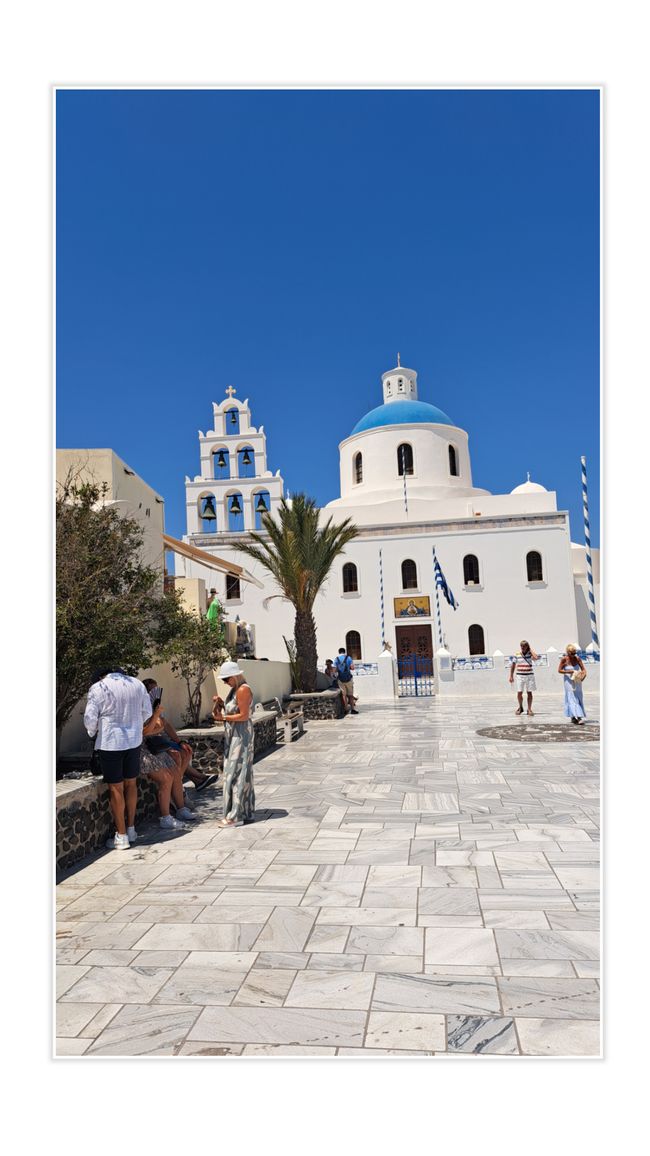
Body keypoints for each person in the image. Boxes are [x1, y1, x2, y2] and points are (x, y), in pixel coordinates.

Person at [83, 667, 153, 851]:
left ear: (102, 675)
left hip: (111, 741)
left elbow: (90, 718)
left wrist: (93, 732)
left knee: (116, 788)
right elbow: (147, 711)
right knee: (131, 784)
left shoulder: (98, 687)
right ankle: (131, 829)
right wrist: (135, 726)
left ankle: (121, 836)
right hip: (134, 741)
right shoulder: (137, 684)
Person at [142, 679, 217, 793]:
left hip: (160, 740)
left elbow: (165, 725)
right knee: (177, 755)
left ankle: (194, 782)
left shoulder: (156, 706)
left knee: (186, 750)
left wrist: (179, 741)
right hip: (151, 743)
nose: (156, 692)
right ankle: (185, 785)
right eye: (153, 689)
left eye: (156, 689)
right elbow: (154, 728)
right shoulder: (144, 707)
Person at [211, 661, 255, 827]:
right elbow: (233, 711)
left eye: (226, 679)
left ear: (235, 676)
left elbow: (243, 716)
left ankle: (234, 816)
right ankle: (245, 812)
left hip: (241, 735)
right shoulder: (234, 690)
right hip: (234, 735)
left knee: (235, 773)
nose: (225, 682)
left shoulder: (243, 689)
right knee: (240, 771)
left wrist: (222, 718)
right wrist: (221, 704)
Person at [558, 643, 587, 724]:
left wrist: (583, 675)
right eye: (572, 653)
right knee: (571, 698)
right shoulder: (564, 659)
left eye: (575, 653)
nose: (574, 655)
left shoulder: (578, 659)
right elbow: (559, 670)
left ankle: (573, 717)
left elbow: (583, 669)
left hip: (577, 681)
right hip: (568, 681)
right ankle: (579, 717)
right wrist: (569, 671)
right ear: (568, 652)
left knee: (578, 697)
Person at [509, 640, 539, 716]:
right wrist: (511, 676)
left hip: (529, 675)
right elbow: (513, 665)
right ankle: (520, 707)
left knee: (529, 692)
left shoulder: (530, 654)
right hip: (520, 675)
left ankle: (529, 709)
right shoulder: (517, 654)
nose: (522, 647)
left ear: (527, 646)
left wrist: (530, 649)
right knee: (519, 692)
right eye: (521, 646)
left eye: (524, 646)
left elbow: (536, 657)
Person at [335, 647, 358, 714]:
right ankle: (352, 709)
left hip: (341, 680)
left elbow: (335, 670)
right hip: (348, 679)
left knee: (344, 695)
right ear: (344, 652)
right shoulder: (349, 658)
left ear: (339, 652)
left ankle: (346, 709)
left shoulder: (336, 659)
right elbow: (352, 668)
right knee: (350, 695)